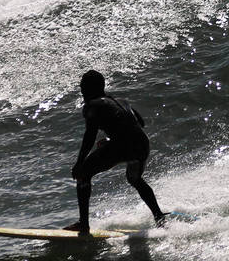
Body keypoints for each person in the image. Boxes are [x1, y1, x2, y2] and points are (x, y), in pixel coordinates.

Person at [68, 69, 166, 234]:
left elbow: (89, 136)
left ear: (89, 88)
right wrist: (111, 140)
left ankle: (83, 224)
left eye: (83, 87)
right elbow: (140, 123)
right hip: (142, 145)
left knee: (83, 173)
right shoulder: (120, 100)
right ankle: (159, 217)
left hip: (124, 146)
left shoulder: (92, 105)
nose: (81, 90)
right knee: (134, 178)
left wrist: (79, 163)